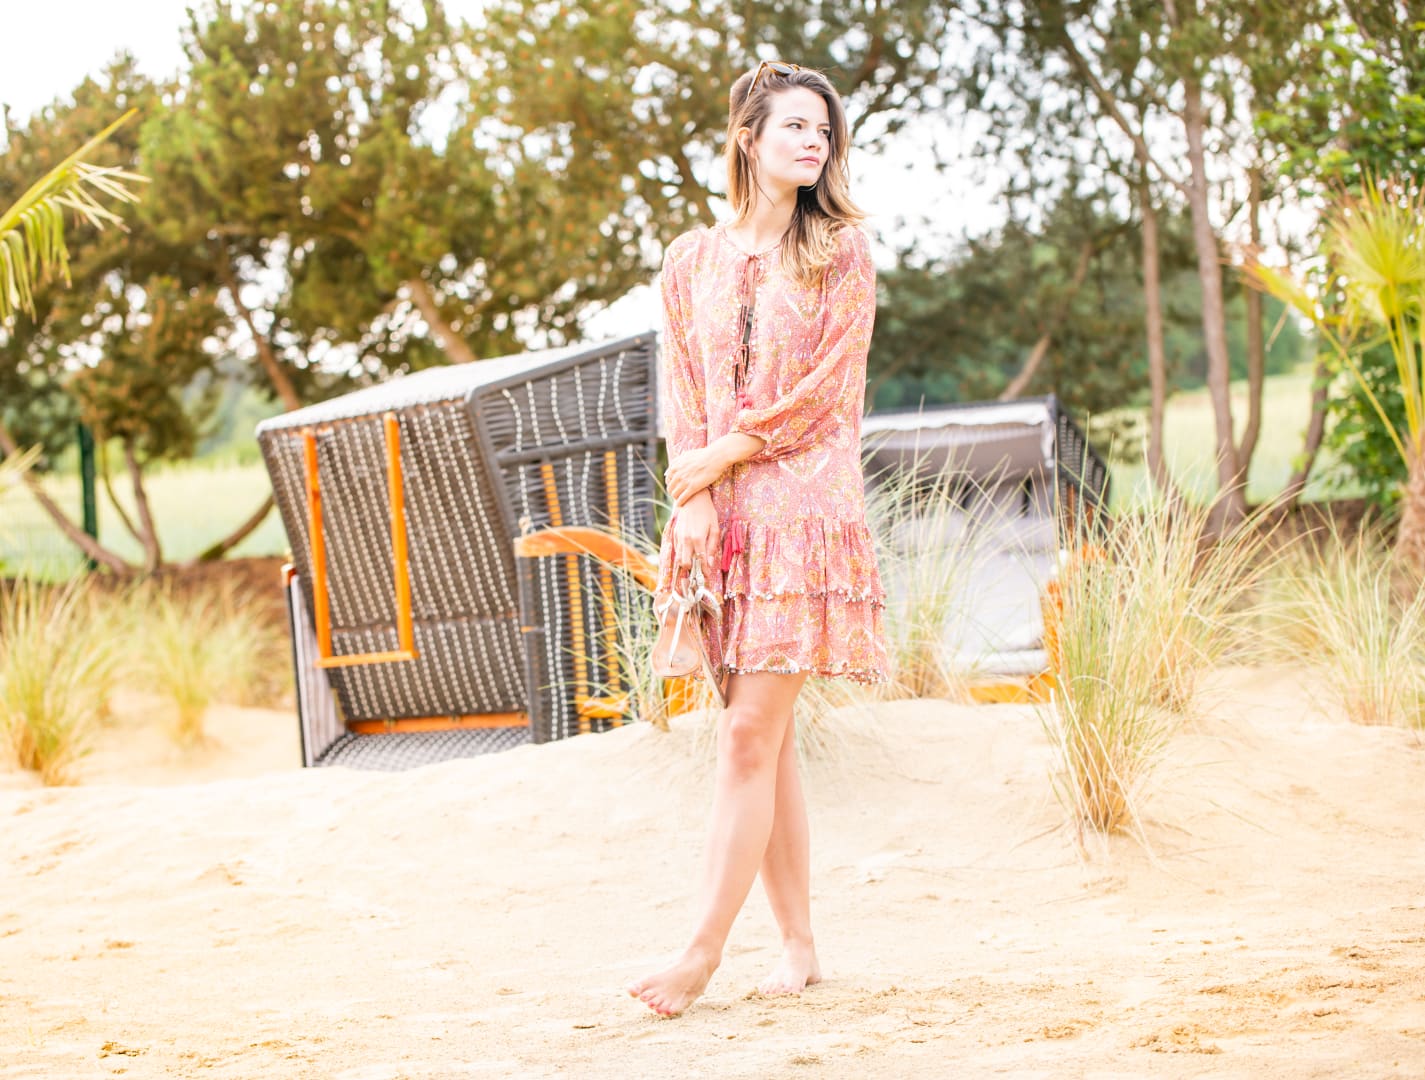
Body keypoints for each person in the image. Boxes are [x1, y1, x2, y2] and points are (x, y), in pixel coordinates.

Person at [627, 60, 890, 1018]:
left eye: (823, 130)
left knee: (746, 734)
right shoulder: (688, 259)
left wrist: (726, 453)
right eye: (794, 126)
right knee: (762, 742)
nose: (814, 142)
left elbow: (829, 390)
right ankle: (799, 944)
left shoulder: (841, 251)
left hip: (802, 510)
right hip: (720, 515)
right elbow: (684, 388)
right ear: (748, 138)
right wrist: (693, 494)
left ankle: (699, 954)